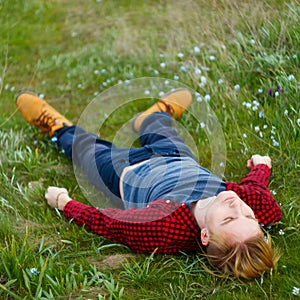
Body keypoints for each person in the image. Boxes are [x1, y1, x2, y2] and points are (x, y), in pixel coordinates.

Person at [16, 89, 282, 280]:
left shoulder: (161, 227)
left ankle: (57, 127)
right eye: (248, 215)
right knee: (163, 131)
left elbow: (109, 223)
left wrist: (66, 203)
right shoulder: (250, 204)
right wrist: (261, 167)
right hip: (176, 157)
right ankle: (152, 118)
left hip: (124, 172)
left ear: (205, 236)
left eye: (227, 219)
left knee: (86, 151)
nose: (236, 204)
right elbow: (258, 191)